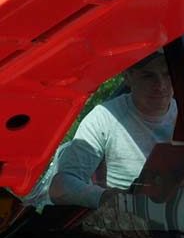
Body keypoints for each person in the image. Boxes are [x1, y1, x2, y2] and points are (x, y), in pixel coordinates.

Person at [49, 50, 177, 211]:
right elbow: (61, 185)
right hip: (129, 224)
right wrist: (107, 198)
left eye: (167, 74)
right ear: (128, 77)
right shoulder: (104, 118)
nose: (160, 85)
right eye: (148, 76)